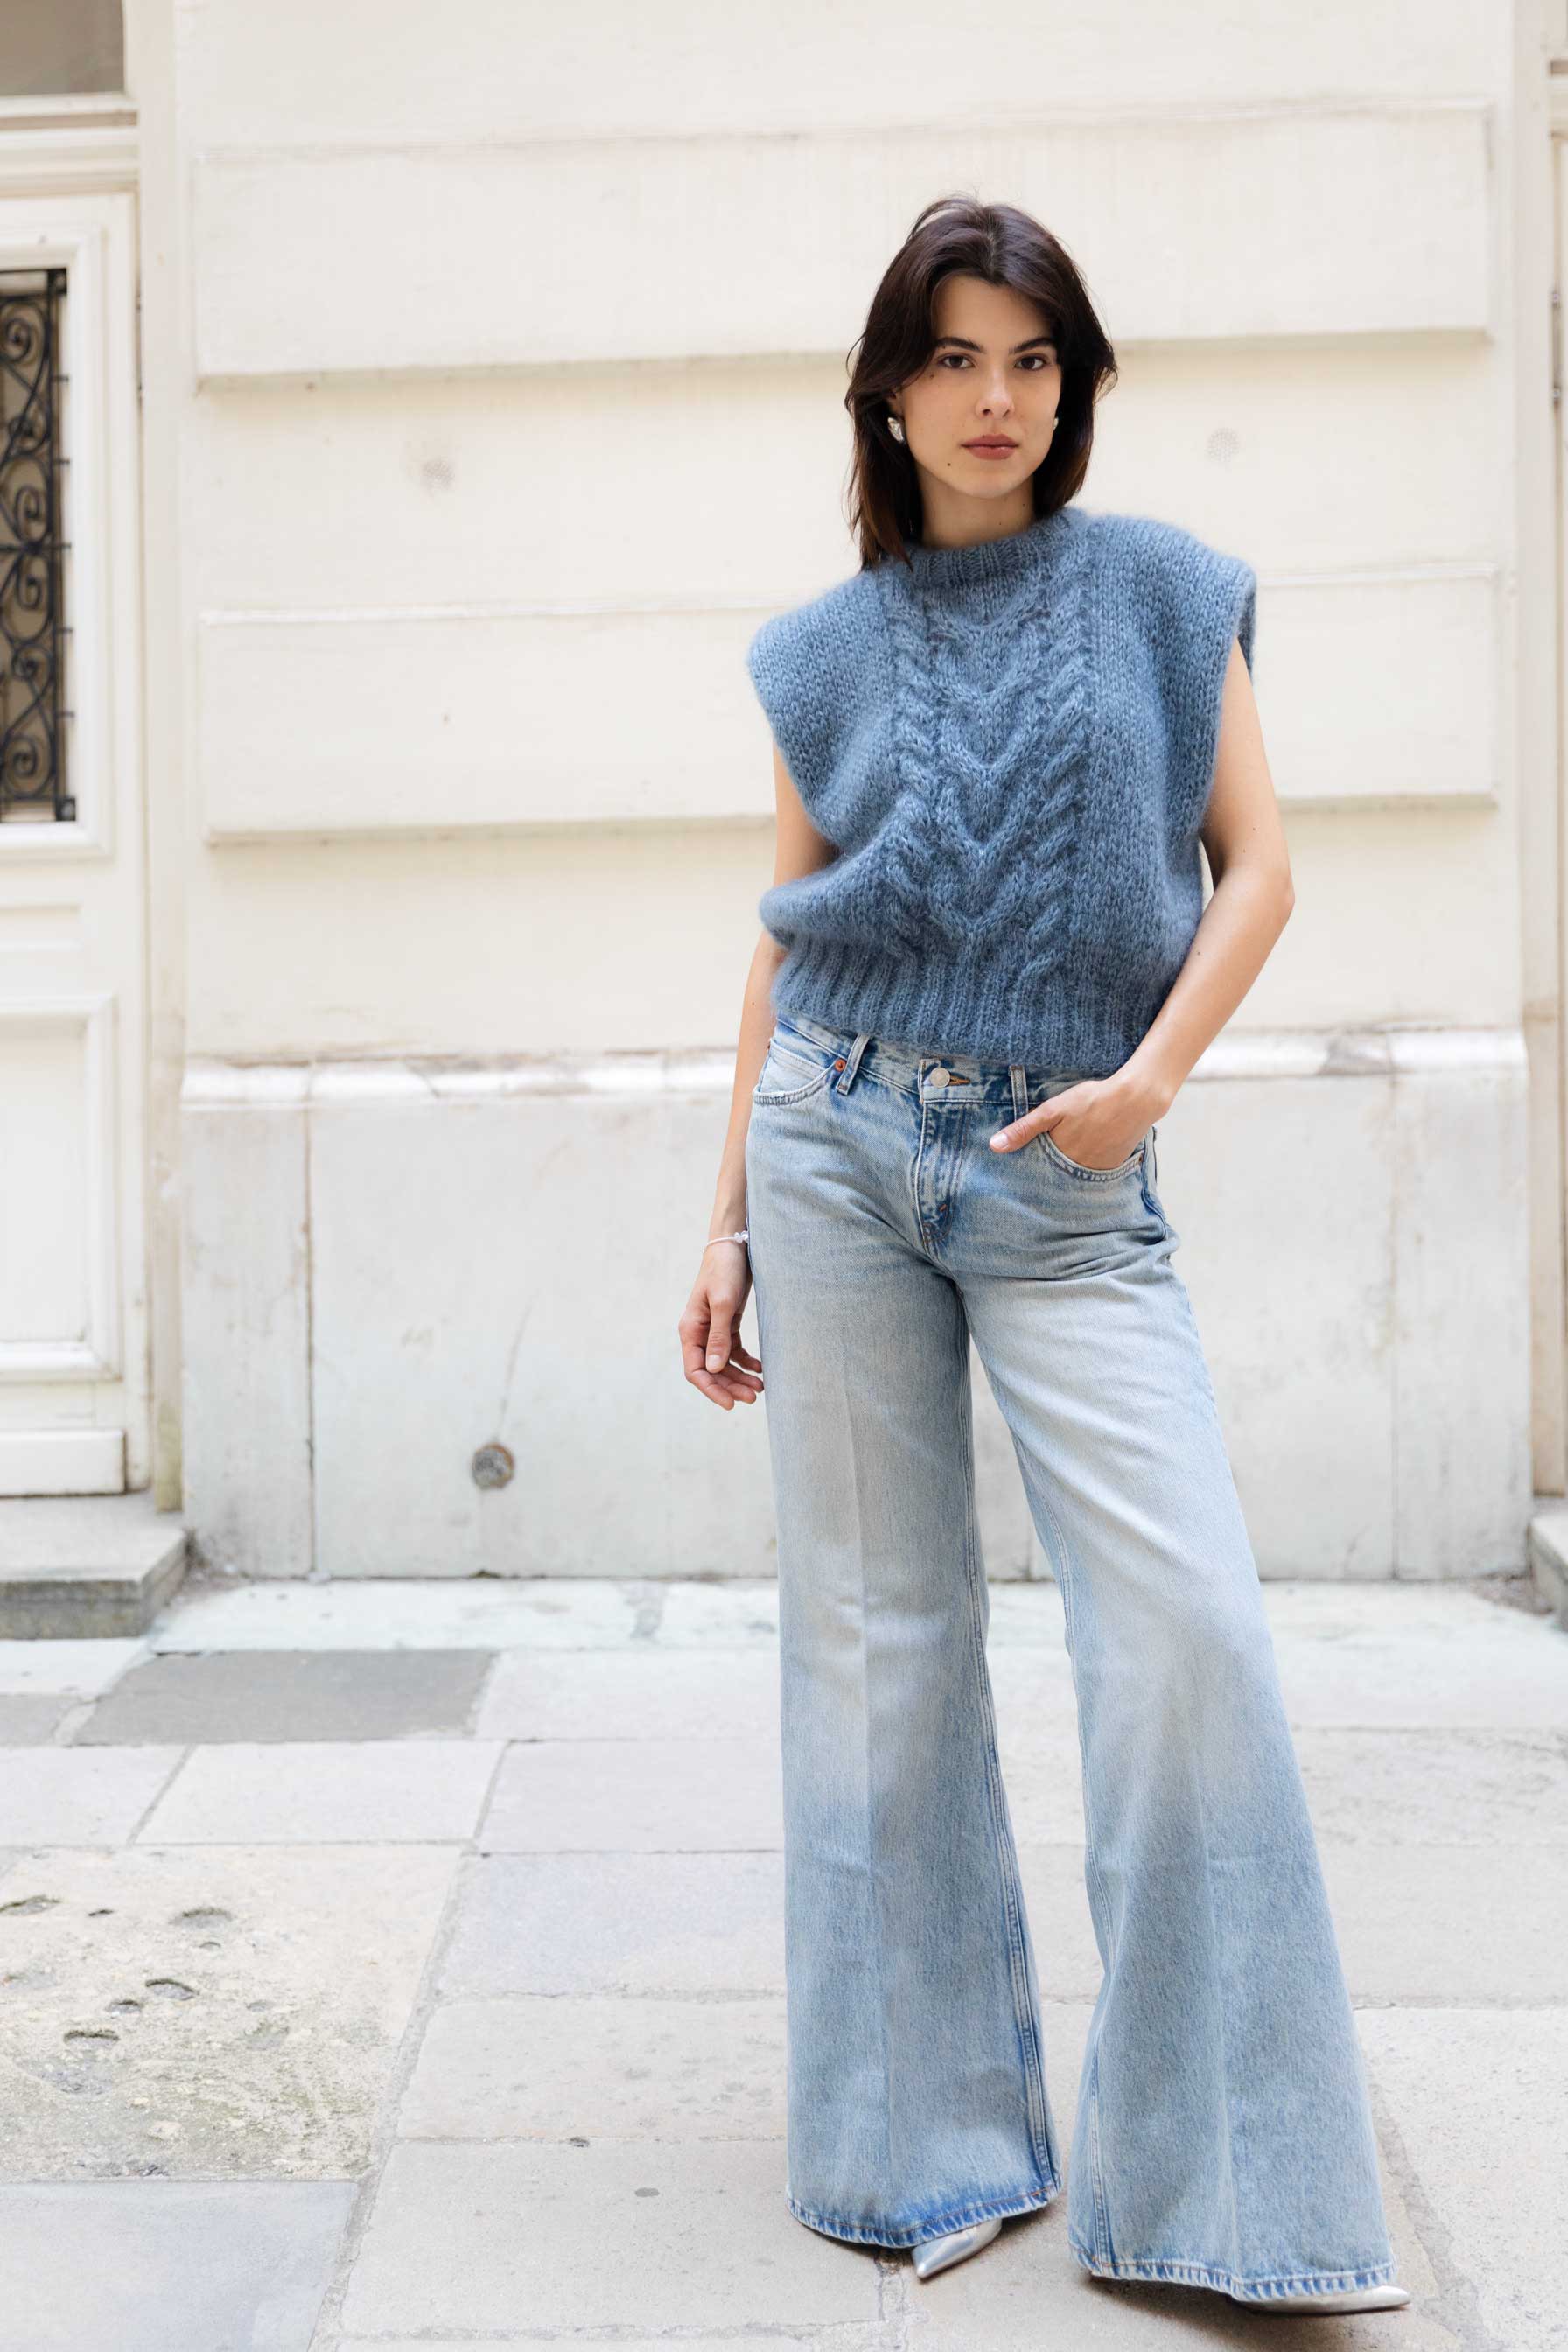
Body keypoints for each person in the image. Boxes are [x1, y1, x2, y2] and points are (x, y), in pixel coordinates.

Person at [677, 194, 1410, 2317]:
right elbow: (784, 929)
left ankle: (1229, 2188)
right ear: (887, 395)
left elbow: (1256, 873)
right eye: (954, 360)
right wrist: (718, 1205)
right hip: (835, 1146)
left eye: (1032, 359)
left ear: (1068, 383)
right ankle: (918, 2150)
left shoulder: (1169, 594)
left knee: (1185, 1639)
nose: (996, 400)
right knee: (878, 1654)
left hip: (1067, 1174)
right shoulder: (820, 650)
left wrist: (1147, 1082)